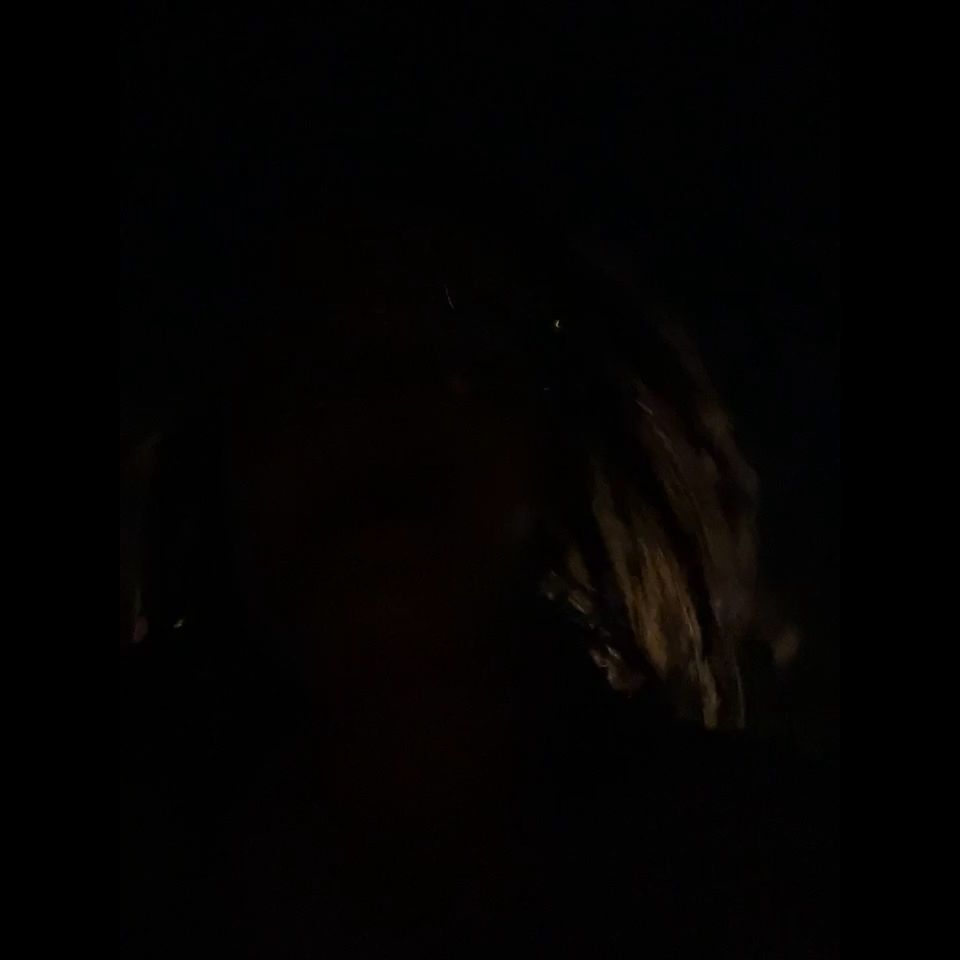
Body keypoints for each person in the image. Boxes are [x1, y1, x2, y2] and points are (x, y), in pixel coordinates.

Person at [121, 203, 797, 956]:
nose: (366, 417)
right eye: (301, 373)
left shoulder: (764, 866)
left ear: (541, 438)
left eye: (442, 357)